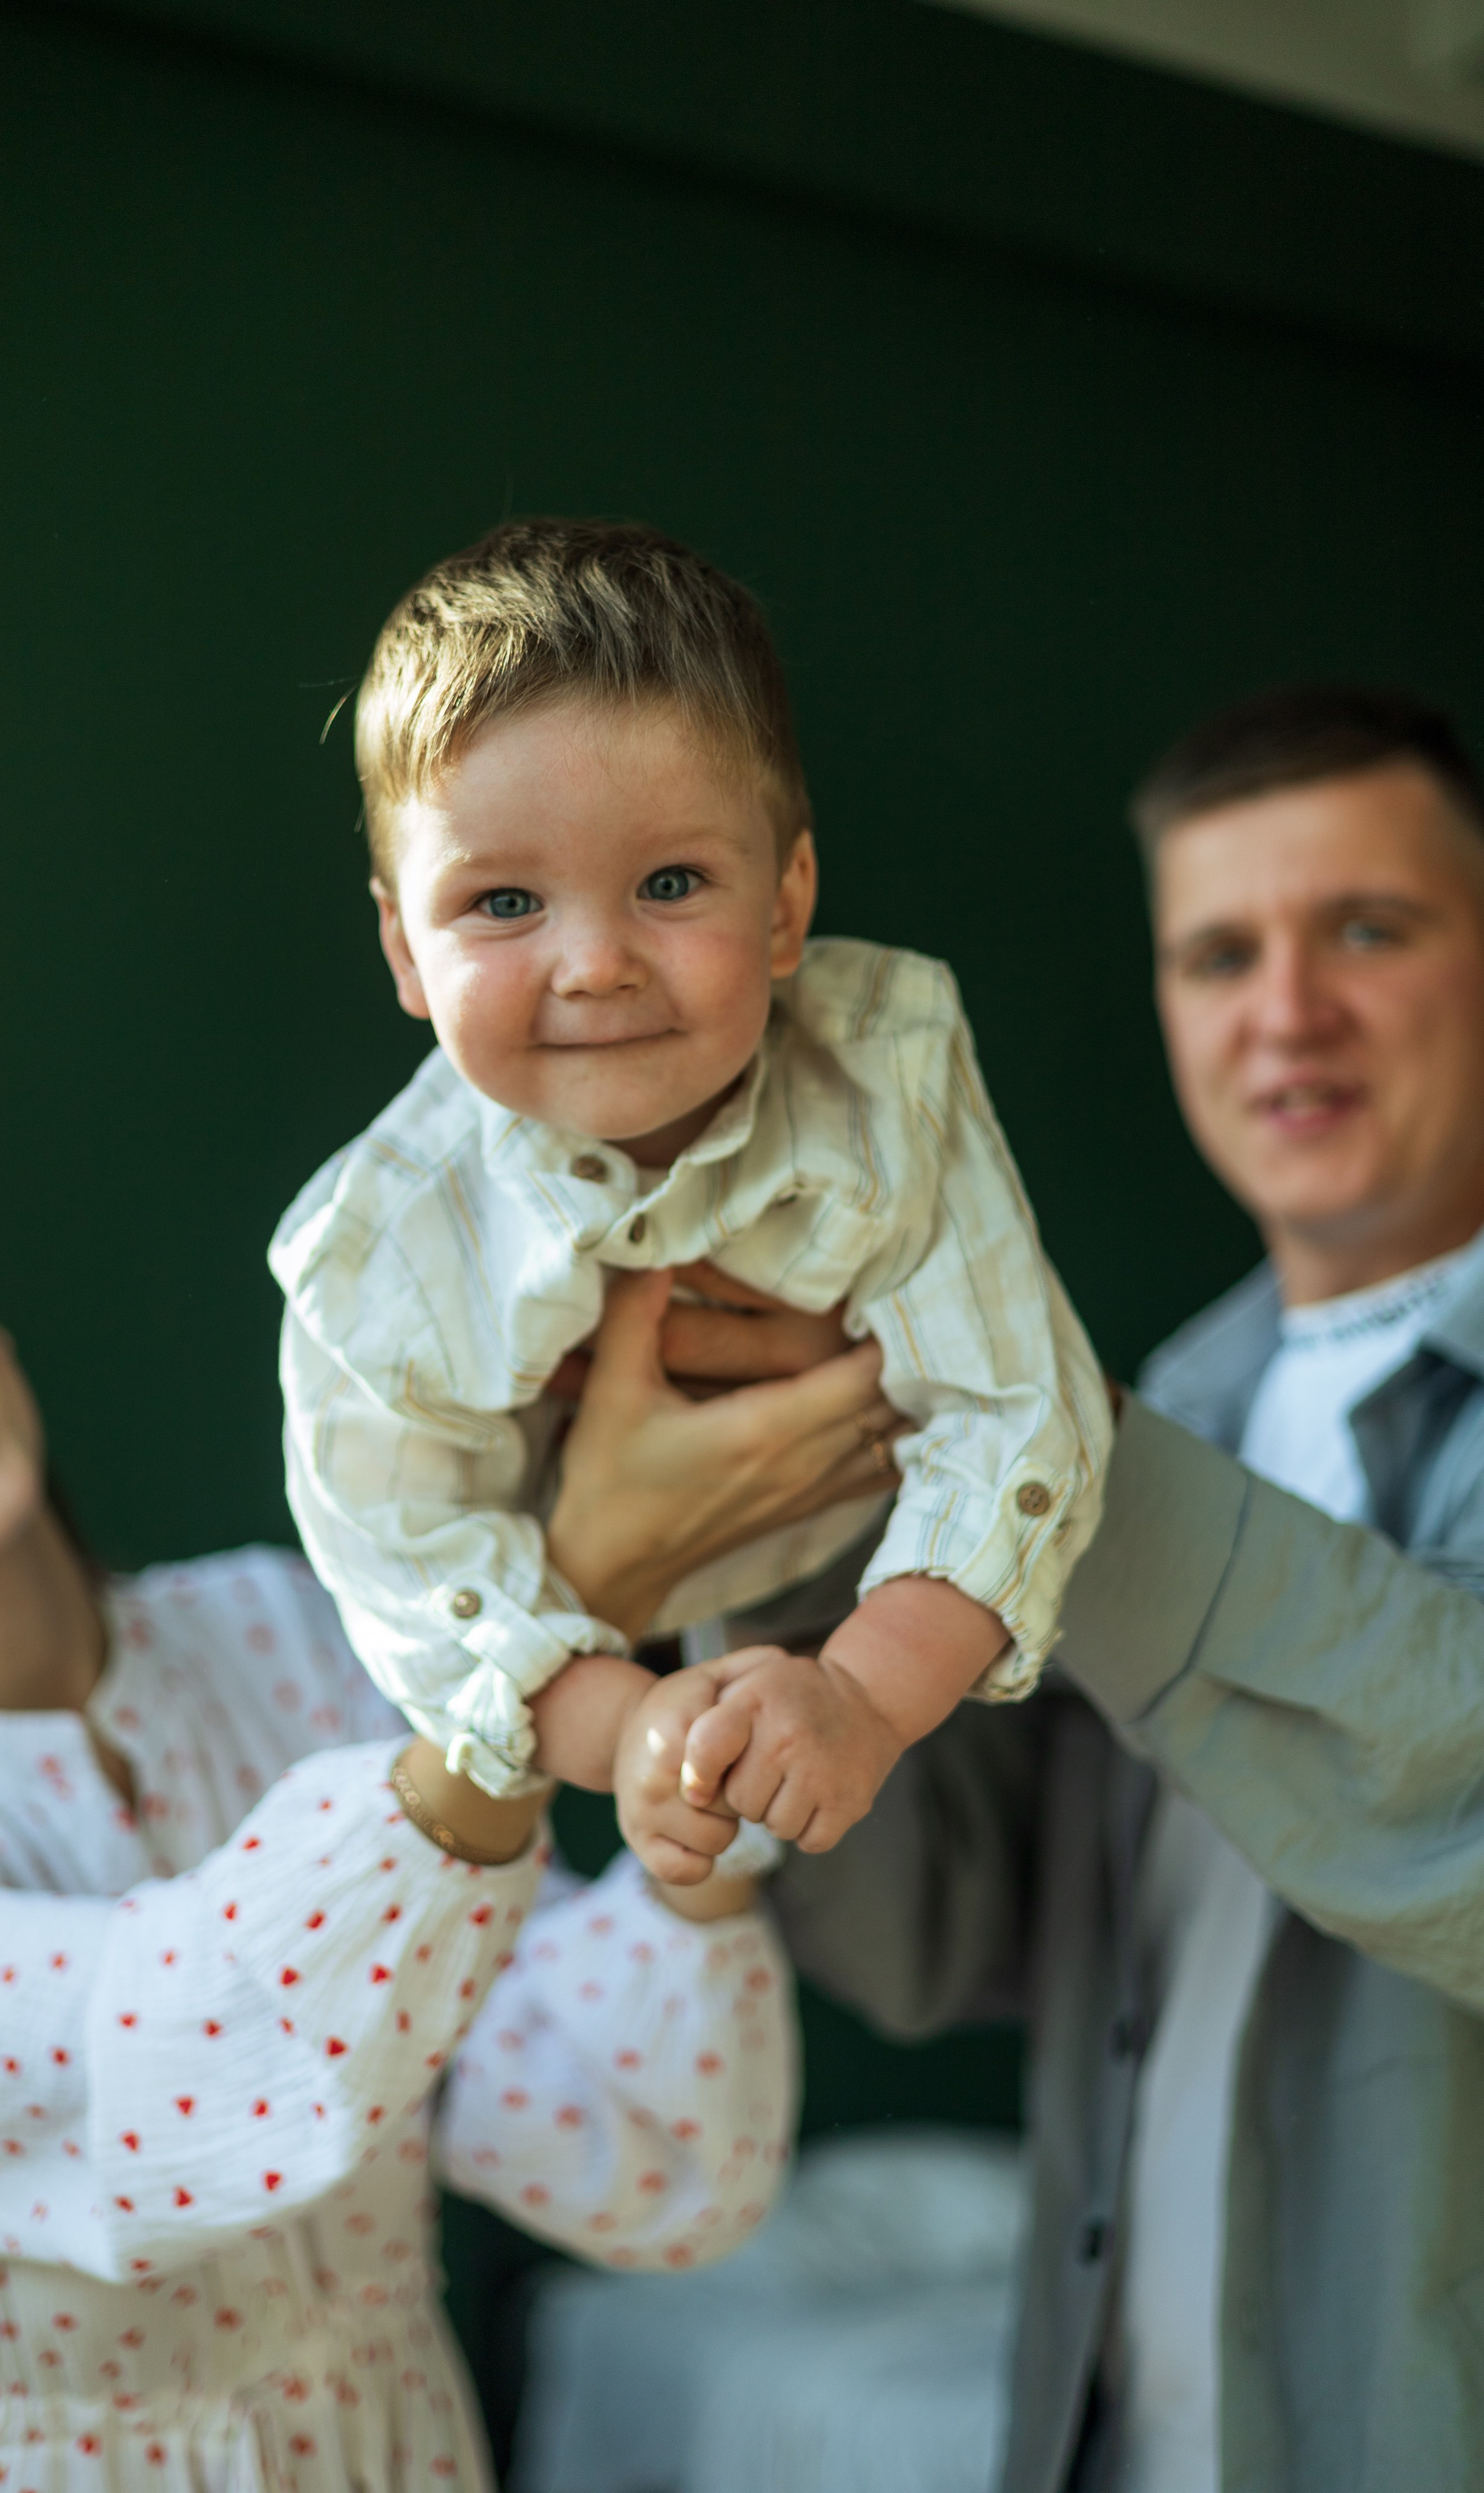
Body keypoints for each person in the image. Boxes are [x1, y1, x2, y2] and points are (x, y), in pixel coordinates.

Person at [0, 1165, 895, 2493]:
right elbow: (198, 2040)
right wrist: (571, 1597)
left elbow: (618, 2132)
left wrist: (704, 1748)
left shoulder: (280, 1629)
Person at [773, 683, 1484, 2492]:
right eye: (1218, 954)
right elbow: (940, 1936)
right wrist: (759, 1554)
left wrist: (1020, 1428)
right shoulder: (1171, 1410)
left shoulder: (1094, 1454)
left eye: (1369, 931)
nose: (1288, 1014)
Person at [269, 517, 1110, 1891]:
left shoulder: (875, 1076)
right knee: (690, 1910)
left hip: (918, 1597)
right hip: (574, 1653)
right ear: (401, 949)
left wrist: (864, 1692)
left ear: (785, 907)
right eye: (500, 903)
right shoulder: (385, 1253)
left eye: (668, 884)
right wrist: (631, 1724)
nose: (593, 964)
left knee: (986, 1885)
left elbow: (1014, 1408)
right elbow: (412, 1564)